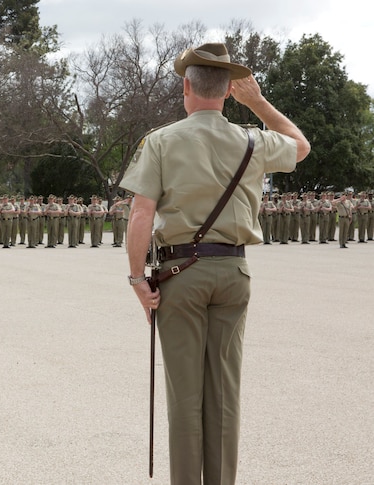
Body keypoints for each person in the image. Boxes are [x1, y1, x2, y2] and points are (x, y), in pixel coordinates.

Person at [121, 43, 309, 484]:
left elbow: (141, 213)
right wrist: (258, 102)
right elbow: (299, 146)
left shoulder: (162, 140)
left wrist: (136, 279)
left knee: (186, 395)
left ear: (186, 86)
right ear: (227, 91)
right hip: (233, 272)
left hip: (180, 273)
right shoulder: (253, 140)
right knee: (223, 393)